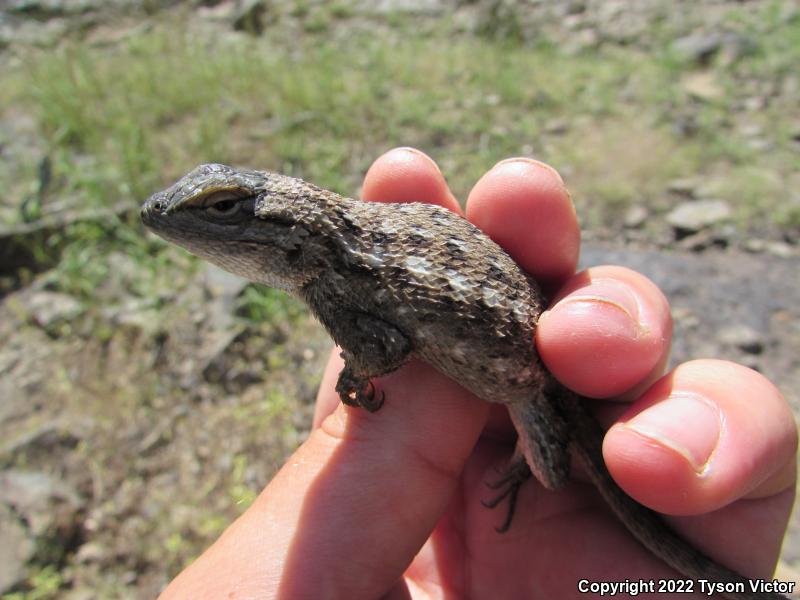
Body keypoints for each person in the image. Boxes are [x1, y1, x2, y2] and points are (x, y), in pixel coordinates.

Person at [159, 148, 797, 599]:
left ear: (291, 231)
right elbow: (384, 340)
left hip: (534, 382)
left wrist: (357, 374)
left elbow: (382, 351)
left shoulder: (335, 279)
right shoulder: (343, 262)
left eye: (225, 210)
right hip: (513, 353)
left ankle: (531, 458)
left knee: (552, 468)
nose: (203, 223)